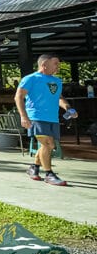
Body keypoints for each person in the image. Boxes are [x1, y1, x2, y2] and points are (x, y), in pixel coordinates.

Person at [16, 54, 77, 186]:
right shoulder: (30, 79)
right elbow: (18, 97)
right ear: (44, 65)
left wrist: (68, 108)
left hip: (52, 118)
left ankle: (34, 167)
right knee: (49, 144)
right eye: (55, 63)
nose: (58, 66)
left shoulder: (57, 81)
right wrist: (23, 116)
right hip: (36, 117)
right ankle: (49, 174)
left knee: (46, 146)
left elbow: (59, 98)